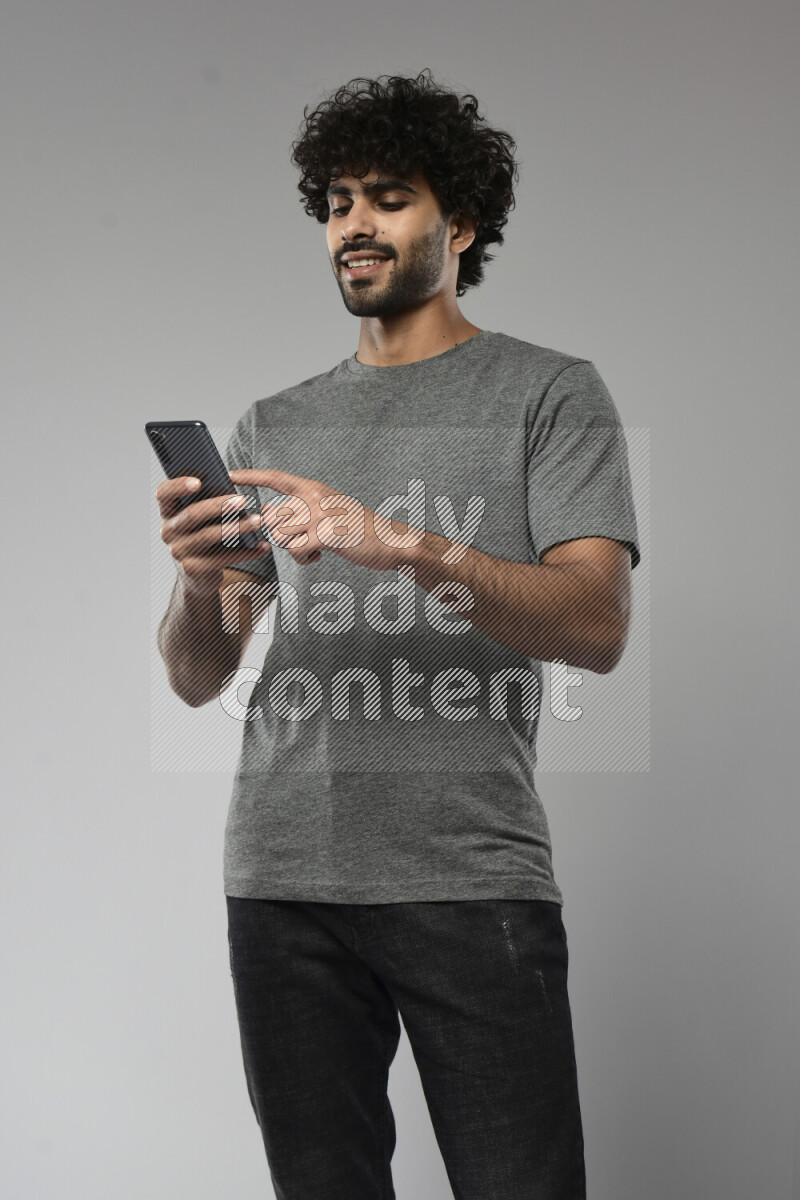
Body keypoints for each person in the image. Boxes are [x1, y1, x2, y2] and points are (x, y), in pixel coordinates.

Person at [155, 69, 640, 1200]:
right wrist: (198, 582)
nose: (353, 225)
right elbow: (197, 674)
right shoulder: (273, 422)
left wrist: (401, 544)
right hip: (280, 877)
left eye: (387, 197)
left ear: (459, 224)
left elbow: (596, 624)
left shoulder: (549, 395)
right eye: (334, 203)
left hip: (467, 876)